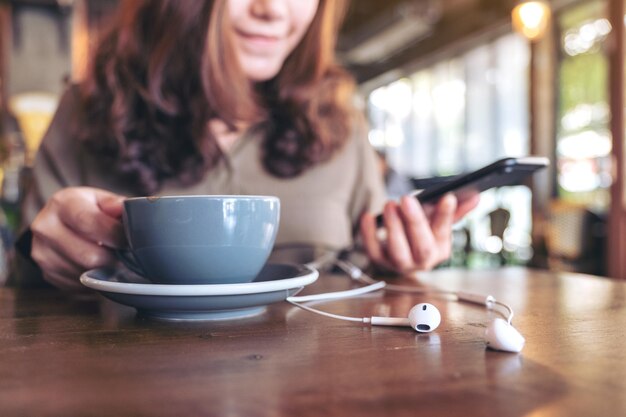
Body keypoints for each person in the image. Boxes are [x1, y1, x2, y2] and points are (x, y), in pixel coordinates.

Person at [15, 0, 478, 291]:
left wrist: (404, 258)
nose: (274, 9)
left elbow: (367, 268)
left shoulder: (340, 121)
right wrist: (42, 258)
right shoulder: (86, 110)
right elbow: (22, 289)